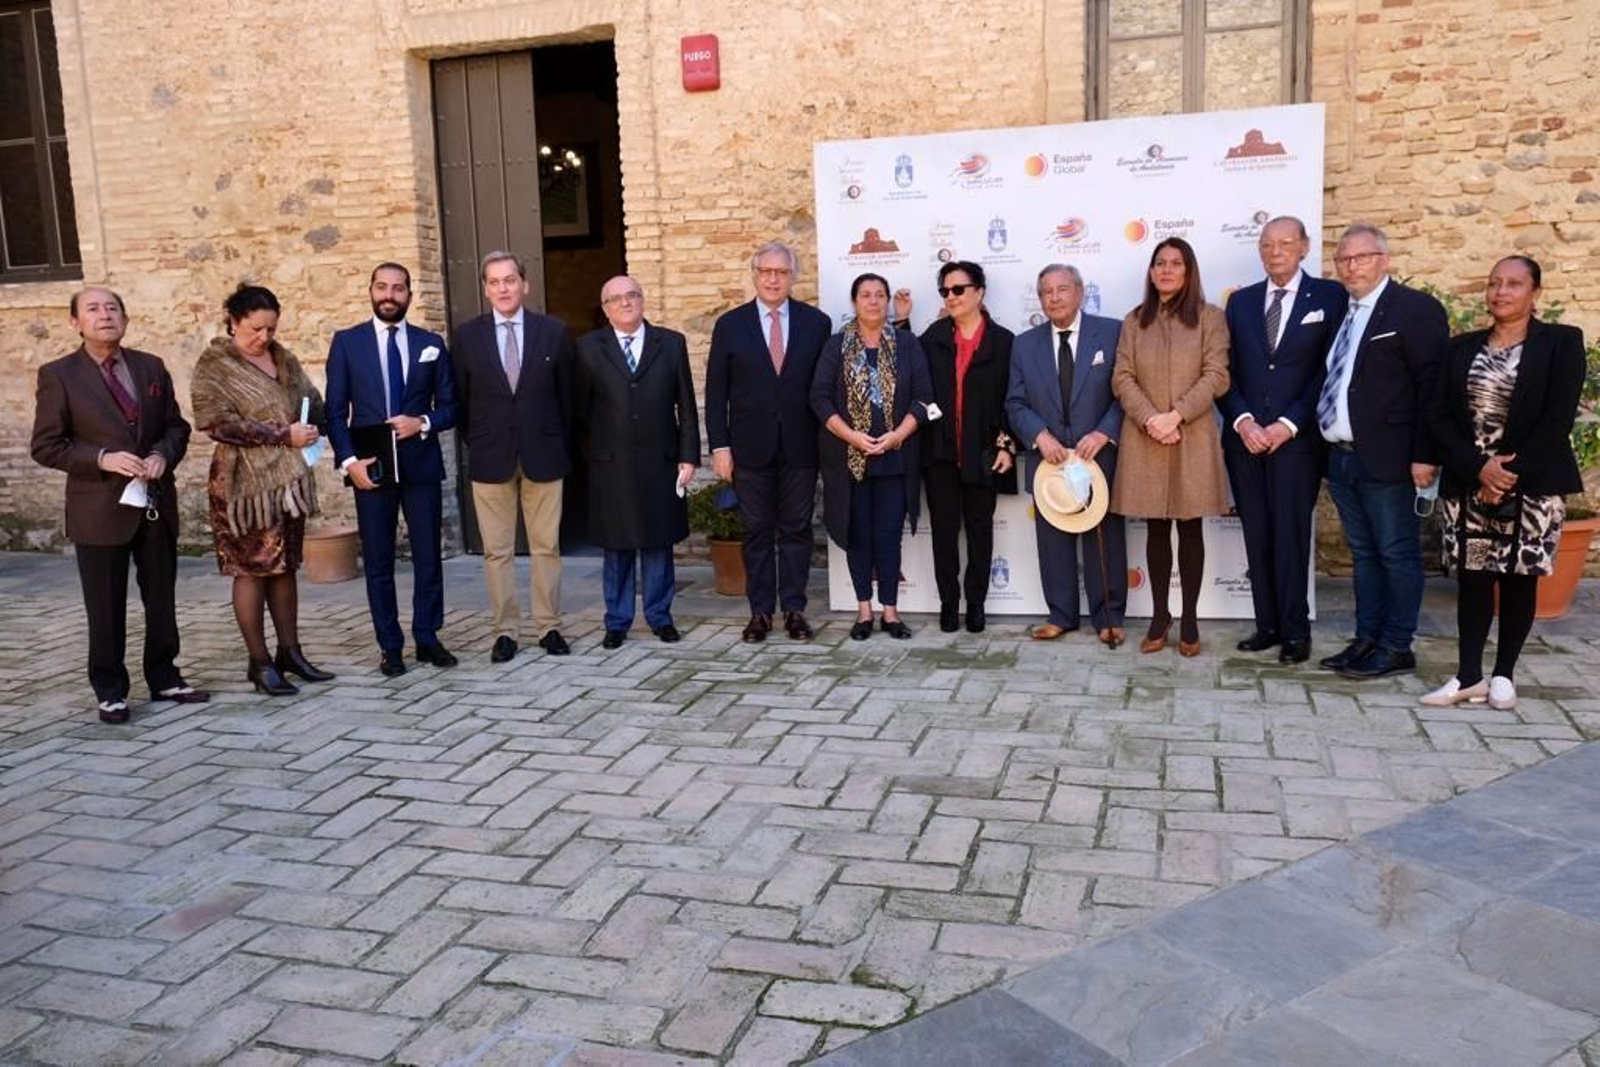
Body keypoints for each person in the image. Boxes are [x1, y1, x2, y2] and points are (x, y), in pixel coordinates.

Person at [30, 287, 209, 723]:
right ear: (75, 322)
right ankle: (110, 689)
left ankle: (165, 676)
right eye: (92, 309)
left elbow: (176, 427)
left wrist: (162, 456)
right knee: (105, 606)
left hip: (153, 503)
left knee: (161, 599)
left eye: (112, 308)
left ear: (125, 319)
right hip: (99, 510)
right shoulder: (59, 375)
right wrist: (102, 459)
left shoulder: (150, 367)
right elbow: (46, 446)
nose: (104, 315)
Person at [1422, 256, 1586, 710]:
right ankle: (1469, 675)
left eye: (1514, 284)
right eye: (1494, 283)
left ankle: (1503, 675)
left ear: (1535, 293)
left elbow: (1558, 417)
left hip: (1531, 484)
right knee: (1473, 578)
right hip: (1470, 482)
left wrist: (1507, 474)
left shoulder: (1562, 343)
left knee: (1519, 579)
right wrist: (1480, 469)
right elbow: (1437, 414)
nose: (1501, 291)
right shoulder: (1461, 348)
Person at [1317, 224, 1449, 679]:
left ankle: (1397, 645)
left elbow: (1434, 389)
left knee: (1397, 553)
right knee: (1364, 554)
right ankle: (1367, 638)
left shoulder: (1415, 311)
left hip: (1391, 459)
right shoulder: (1343, 312)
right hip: (1342, 457)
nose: (1351, 266)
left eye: (1362, 257)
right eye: (1343, 260)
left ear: (1384, 259)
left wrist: (1425, 455)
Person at [191, 284, 334, 695]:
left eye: (271, 329)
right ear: (233, 321)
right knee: (252, 570)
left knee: (285, 565)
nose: (264, 337)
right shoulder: (215, 365)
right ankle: (260, 662)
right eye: (255, 329)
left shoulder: (283, 358)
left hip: (287, 482)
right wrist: (280, 433)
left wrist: (321, 422)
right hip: (243, 487)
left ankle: (291, 651)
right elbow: (213, 421)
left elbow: (312, 400)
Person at [1221, 217, 1349, 664]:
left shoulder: (1330, 297)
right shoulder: (1240, 303)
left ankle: (1296, 632)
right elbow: (1225, 372)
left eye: (1285, 243)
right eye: (1267, 244)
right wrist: (1244, 421)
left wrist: (1289, 424)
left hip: (1297, 441)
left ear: (1304, 247)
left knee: (1291, 535)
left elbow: (1330, 371)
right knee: (1257, 534)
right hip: (1246, 440)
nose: (1275, 251)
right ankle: (1267, 625)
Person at [325, 262, 458, 677]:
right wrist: (349, 464)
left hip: (420, 466)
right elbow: (334, 412)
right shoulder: (348, 343)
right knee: (379, 561)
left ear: (409, 296)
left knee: (428, 557)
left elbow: (452, 406)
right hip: (371, 468)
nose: (389, 295)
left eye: (398, 288)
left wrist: (423, 422)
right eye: (382, 287)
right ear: (370, 291)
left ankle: (427, 636)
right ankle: (390, 645)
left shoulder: (429, 342)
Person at [705, 241, 833, 643]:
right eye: (766, 271)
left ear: (793, 276)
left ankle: (794, 609)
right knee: (757, 530)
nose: (773, 279)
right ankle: (760, 612)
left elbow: (825, 388)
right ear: (755, 275)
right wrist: (720, 448)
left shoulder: (817, 324)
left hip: (801, 446)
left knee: (797, 529)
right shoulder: (730, 325)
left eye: (781, 272)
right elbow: (715, 392)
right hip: (748, 449)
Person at [1110, 237, 1231, 657]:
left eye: (1175, 263)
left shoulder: (1210, 318)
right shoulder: (1134, 321)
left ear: (1188, 270)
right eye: (1158, 263)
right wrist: (1150, 419)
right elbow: (1121, 376)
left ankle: (1191, 619)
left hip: (1191, 435)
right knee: (1157, 528)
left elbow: (1217, 375)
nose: (1165, 270)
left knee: (1190, 526)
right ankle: (1160, 617)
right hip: (1146, 437)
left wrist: (1175, 416)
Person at [453, 251, 574, 661]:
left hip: (544, 452)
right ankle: (505, 631)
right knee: (497, 551)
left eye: (510, 280)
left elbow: (567, 399)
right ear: (486, 288)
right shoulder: (468, 335)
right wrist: (481, 439)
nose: (503, 288)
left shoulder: (553, 332)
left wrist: (559, 443)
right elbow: (463, 400)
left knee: (546, 546)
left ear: (525, 284)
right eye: (494, 282)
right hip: (491, 456)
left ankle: (549, 626)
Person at [573, 275, 701, 649]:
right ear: (605, 308)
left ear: (643, 300)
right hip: (609, 463)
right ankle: (617, 620)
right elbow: (579, 410)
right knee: (617, 544)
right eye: (615, 299)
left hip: (660, 460)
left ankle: (660, 617)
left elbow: (687, 407)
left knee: (659, 541)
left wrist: (688, 455)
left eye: (632, 295)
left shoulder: (671, 343)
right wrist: (594, 452)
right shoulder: (586, 348)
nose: (625, 303)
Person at [1006, 264, 1127, 646]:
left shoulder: (1112, 332)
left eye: (1062, 289)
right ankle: (1061, 615)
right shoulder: (1024, 344)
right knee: (1052, 538)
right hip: (1050, 460)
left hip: (1098, 457)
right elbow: (1015, 401)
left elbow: (1127, 391)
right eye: (1046, 292)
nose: (1054, 298)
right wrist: (1039, 436)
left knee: (1104, 537)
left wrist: (1105, 432)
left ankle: (1108, 617)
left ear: (1080, 292)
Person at [811, 273, 935, 639]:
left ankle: (891, 614)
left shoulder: (908, 344)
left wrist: (898, 435)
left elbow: (925, 398)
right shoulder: (836, 346)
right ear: (854, 302)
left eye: (880, 295)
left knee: (887, 536)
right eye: (865, 295)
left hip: (896, 459)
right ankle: (864, 612)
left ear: (888, 302)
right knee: (859, 535)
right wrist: (852, 436)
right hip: (851, 460)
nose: (874, 301)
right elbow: (818, 398)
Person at [918, 260, 1017, 633]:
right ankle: (948, 604)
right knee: (943, 532)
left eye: (959, 289)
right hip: (940, 453)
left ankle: (976, 604)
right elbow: (911, 377)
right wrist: (901, 322)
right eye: (945, 291)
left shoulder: (1004, 342)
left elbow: (1013, 398)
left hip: (984, 453)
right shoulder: (933, 336)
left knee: (980, 530)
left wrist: (1006, 446)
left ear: (979, 292)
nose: (951, 297)